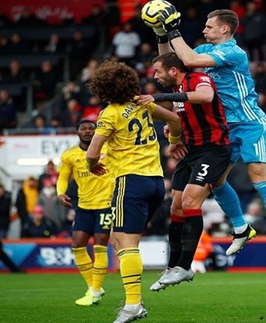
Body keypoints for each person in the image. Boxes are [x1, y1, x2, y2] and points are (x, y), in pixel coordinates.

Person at [153, 7, 266, 265]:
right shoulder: (203, 51)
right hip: (225, 127)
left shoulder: (234, 52)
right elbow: (171, 63)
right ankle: (241, 228)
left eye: (209, 26)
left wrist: (174, 30)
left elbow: (190, 62)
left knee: (258, 177)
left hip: (250, 123)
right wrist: (161, 35)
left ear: (224, 29)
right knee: (217, 181)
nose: (204, 30)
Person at [85, 60, 182, 323]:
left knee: (125, 244)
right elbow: (174, 118)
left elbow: (92, 153)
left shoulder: (109, 114)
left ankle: (132, 305)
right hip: (156, 183)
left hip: (130, 181)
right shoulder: (144, 105)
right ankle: (134, 299)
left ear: (103, 88)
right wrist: (173, 142)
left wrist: (91, 165)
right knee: (119, 239)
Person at [136, 52, 233, 291]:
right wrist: (173, 133)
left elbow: (206, 96)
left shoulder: (198, 79)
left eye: (158, 71)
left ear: (172, 70)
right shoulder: (179, 87)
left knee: (190, 201)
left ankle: (185, 266)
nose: (155, 76)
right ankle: (172, 267)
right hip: (190, 151)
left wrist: (157, 97)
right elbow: (181, 115)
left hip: (213, 150)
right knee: (176, 206)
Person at [56, 119, 115, 306]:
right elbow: (63, 177)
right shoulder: (70, 155)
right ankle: (94, 287)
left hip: (106, 204)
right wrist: (60, 193)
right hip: (84, 206)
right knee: (77, 245)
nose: (88, 131)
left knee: (100, 246)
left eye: (91, 128)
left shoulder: (108, 149)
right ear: (77, 132)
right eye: (84, 128)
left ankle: (95, 291)